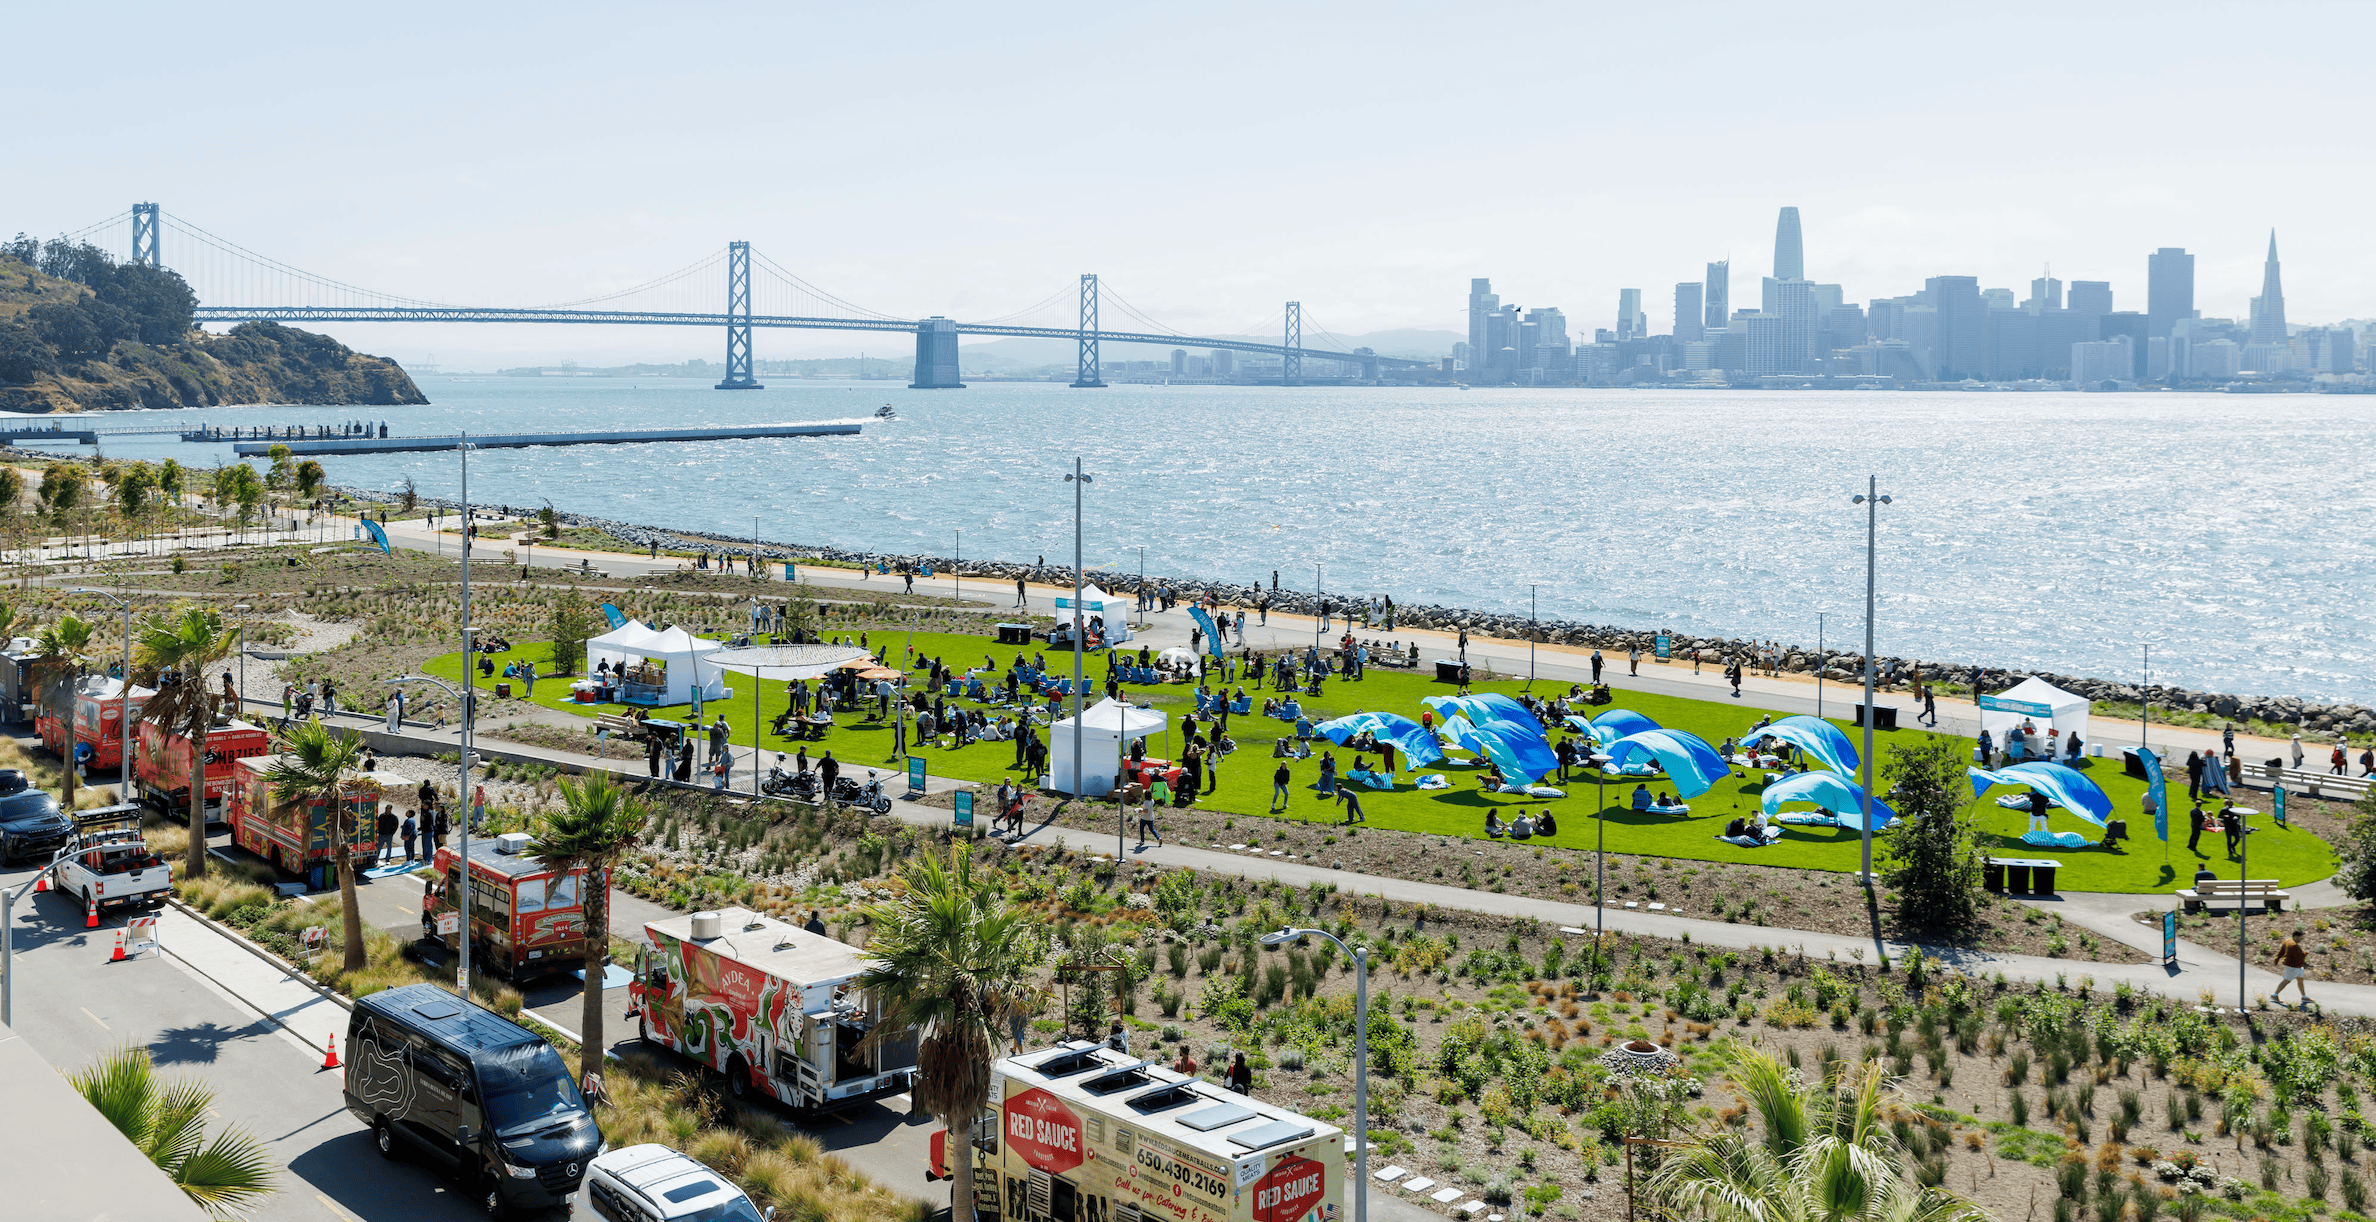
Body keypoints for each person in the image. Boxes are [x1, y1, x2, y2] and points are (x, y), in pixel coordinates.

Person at [2274, 928, 2314, 1009]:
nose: (2301, 939)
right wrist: (2307, 953)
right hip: (2292, 966)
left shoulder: (2287, 941)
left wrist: (2277, 958)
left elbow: (2282, 950)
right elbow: (2300, 956)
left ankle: (2304, 996)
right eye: (2301, 938)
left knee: (2300, 980)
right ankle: (2275, 995)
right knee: (2286, 981)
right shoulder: (2294, 946)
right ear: (2296, 936)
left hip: (2295, 967)